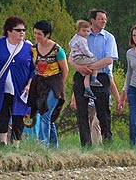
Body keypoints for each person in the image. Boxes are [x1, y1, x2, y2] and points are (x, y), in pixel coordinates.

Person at [0, 16, 34, 145]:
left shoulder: (28, 47)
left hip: (21, 89)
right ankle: (2, 142)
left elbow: (33, 69)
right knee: (2, 114)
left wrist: (29, 84)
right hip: (2, 87)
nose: (22, 33)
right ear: (9, 31)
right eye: (18, 30)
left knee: (18, 115)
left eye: (24, 30)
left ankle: (16, 144)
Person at [70, 9, 118, 146]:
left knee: (103, 111)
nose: (104, 21)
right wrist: (79, 68)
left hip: (101, 76)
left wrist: (92, 67)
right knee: (82, 112)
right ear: (92, 20)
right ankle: (86, 144)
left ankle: (107, 142)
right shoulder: (82, 36)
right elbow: (71, 57)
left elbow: (109, 59)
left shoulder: (108, 38)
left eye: (105, 19)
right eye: (101, 19)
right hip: (81, 74)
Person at [27, 20, 68, 147]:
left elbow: (65, 70)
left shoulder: (57, 50)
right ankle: (54, 146)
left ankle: (42, 144)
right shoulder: (33, 49)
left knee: (46, 113)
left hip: (54, 83)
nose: (36, 36)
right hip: (40, 83)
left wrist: (60, 86)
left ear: (47, 35)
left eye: (39, 34)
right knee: (45, 115)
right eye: (35, 33)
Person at [68, 19, 102, 100]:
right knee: (96, 63)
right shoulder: (82, 40)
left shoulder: (75, 38)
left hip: (75, 57)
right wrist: (91, 55)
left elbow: (70, 44)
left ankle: (87, 89)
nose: (86, 33)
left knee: (87, 72)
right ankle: (94, 78)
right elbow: (85, 50)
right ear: (78, 31)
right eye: (84, 31)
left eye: (88, 31)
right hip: (80, 57)